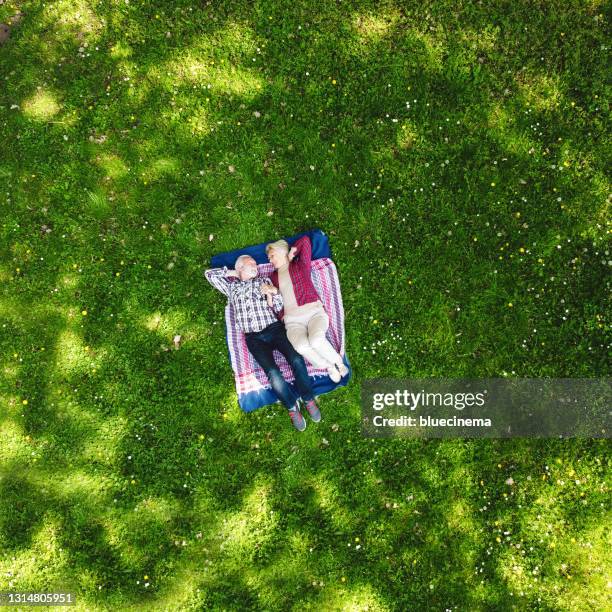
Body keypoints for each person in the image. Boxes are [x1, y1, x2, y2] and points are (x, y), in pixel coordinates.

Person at [205, 254, 321, 431]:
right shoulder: (231, 287)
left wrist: (273, 293)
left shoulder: (263, 281)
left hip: (274, 329)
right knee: (273, 373)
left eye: (256, 264)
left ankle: (308, 398)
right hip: (253, 338)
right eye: (251, 263)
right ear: (240, 267)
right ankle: (291, 406)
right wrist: (233, 273)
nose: (256, 266)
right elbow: (209, 275)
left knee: (296, 359)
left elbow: (278, 306)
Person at [265, 236, 349, 383]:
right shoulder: (273, 276)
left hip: (313, 312)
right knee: (301, 346)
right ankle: (328, 366)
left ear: (281, 251)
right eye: (268, 258)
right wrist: (273, 292)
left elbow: (305, 241)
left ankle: (339, 362)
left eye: (272, 256)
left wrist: (292, 253)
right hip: (292, 321)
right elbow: (275, 303)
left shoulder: (300, 265)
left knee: (316, 340)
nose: (270, 260)